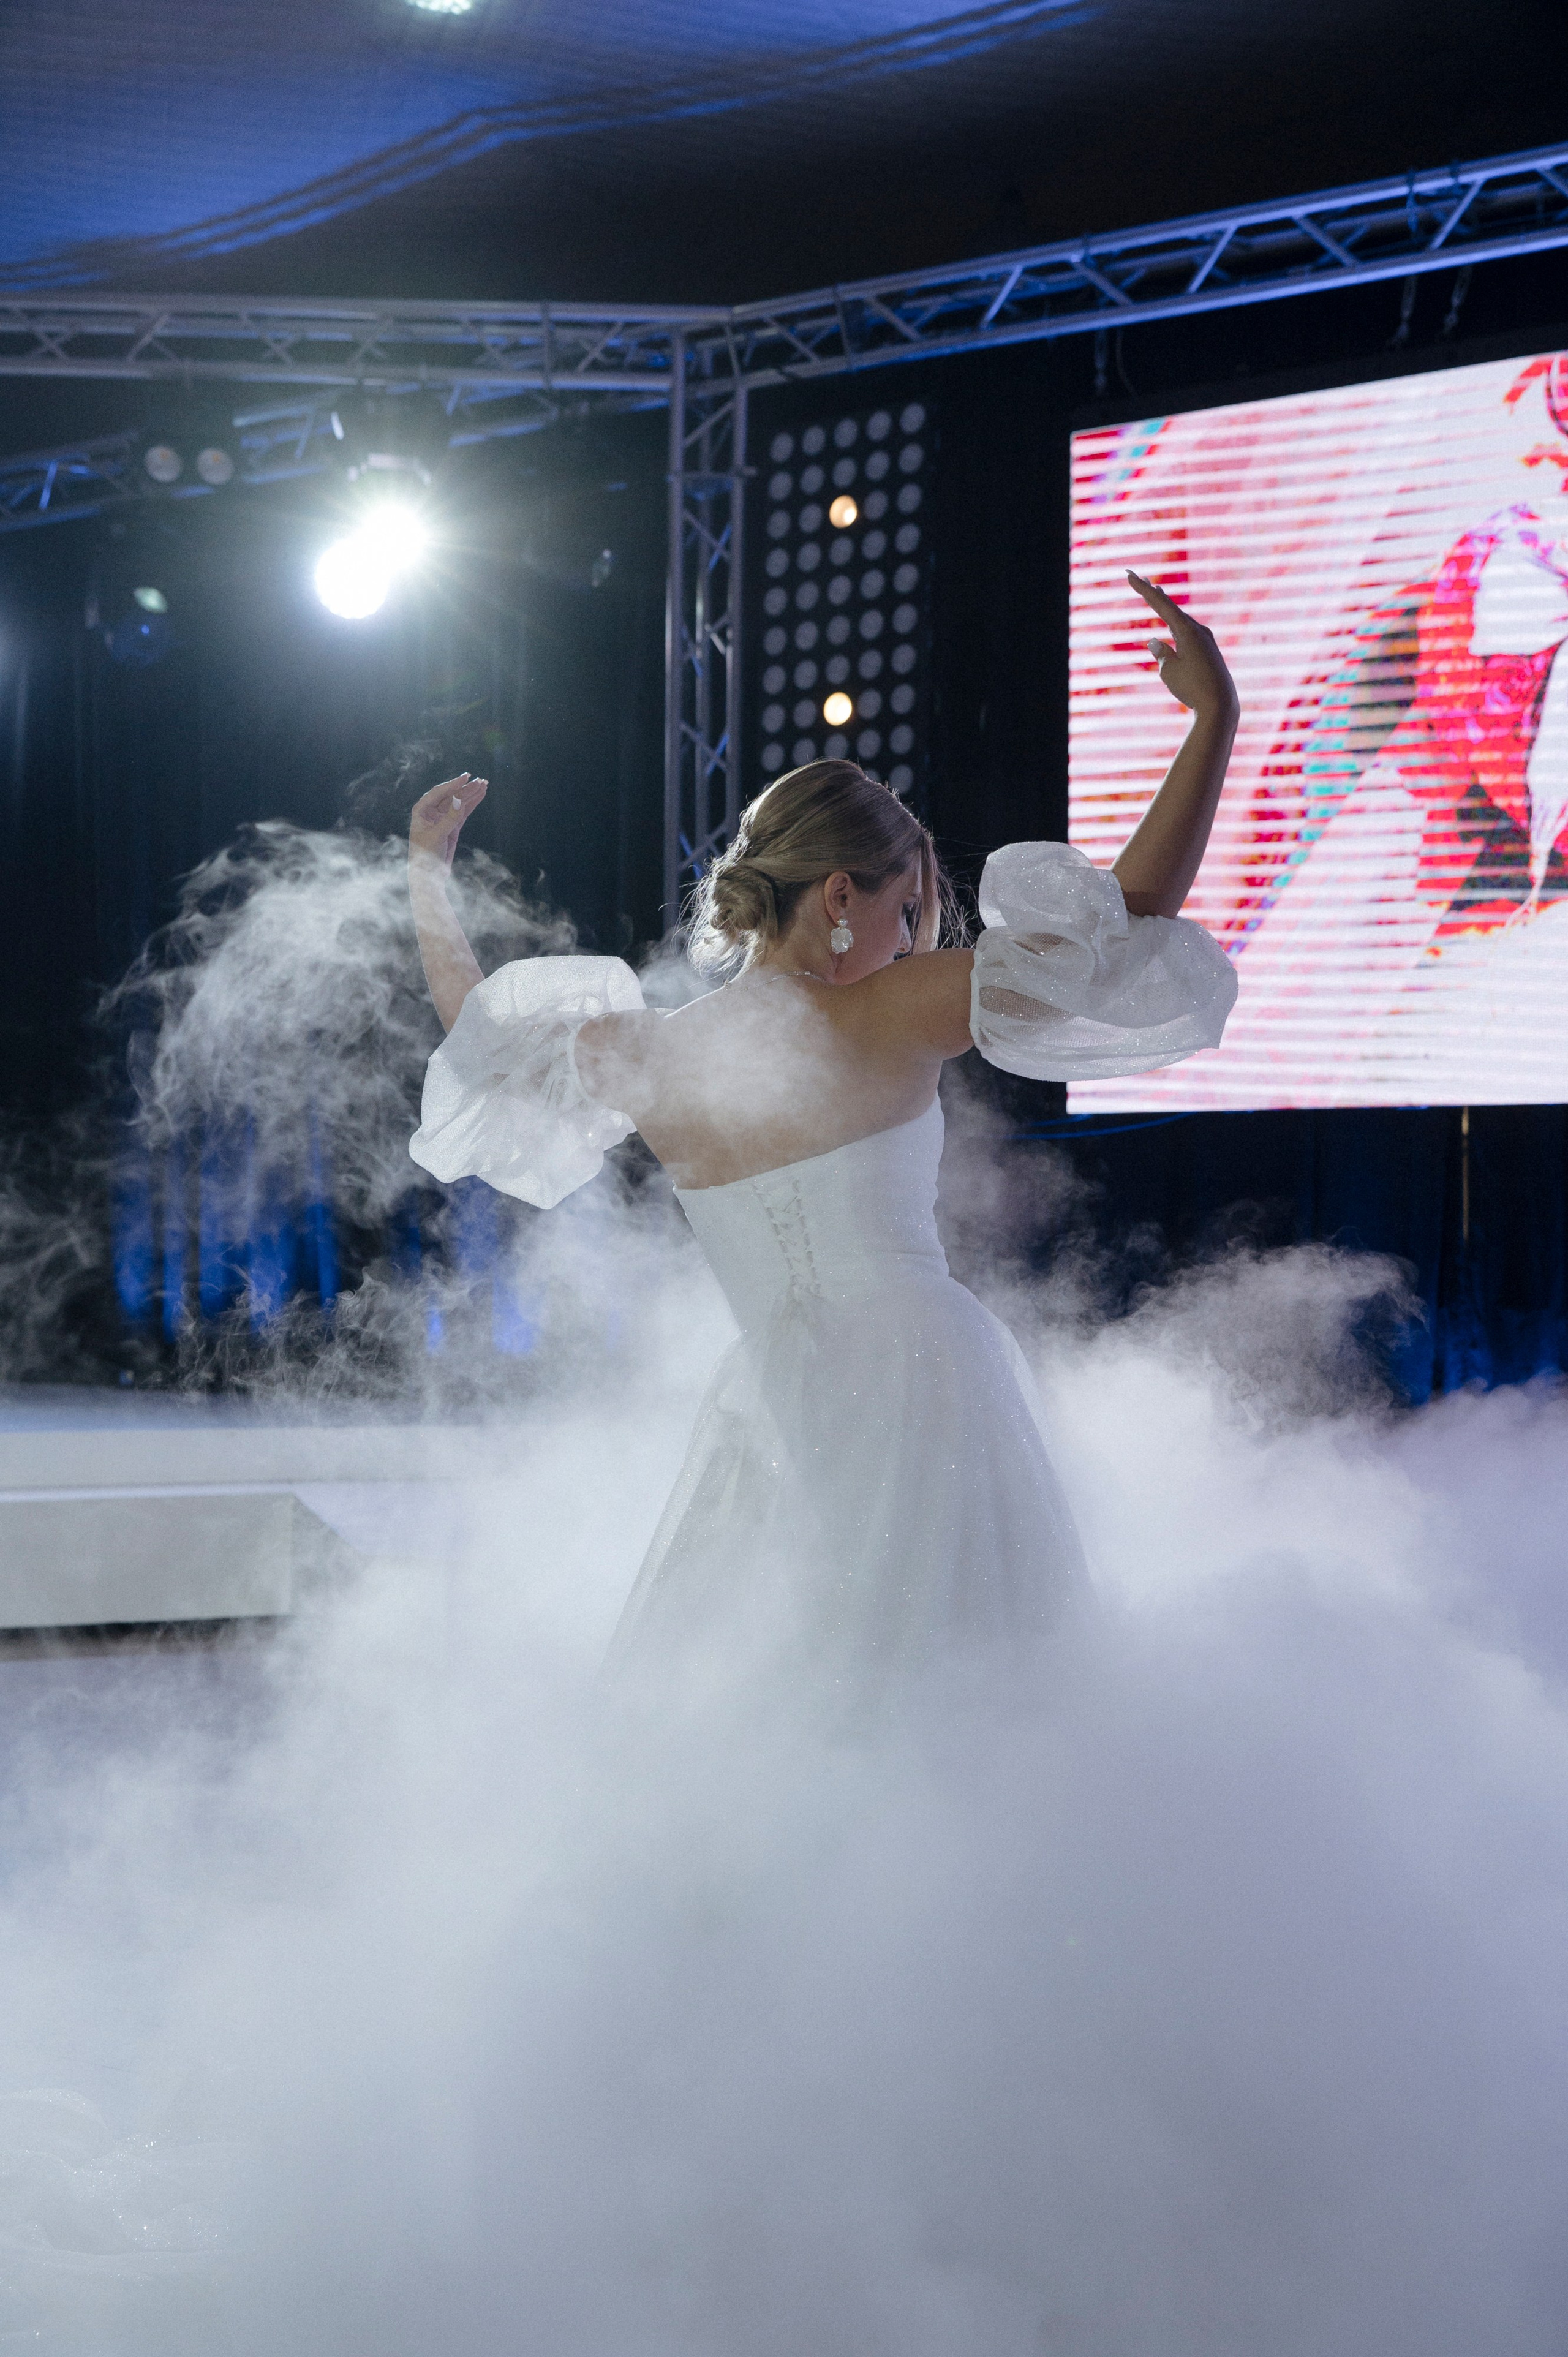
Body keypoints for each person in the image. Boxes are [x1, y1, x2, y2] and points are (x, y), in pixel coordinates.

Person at [405, 573, 1238, 1711]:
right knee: (961, 1698)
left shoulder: (650, 1055)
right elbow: (1129, 925)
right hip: (922, 1387)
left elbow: (476, 1030)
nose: (909, 942)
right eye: (906, 912)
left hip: (777, 1404)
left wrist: (425, 873)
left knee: (775, 1703)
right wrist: (1213, 722)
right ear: (840, 895)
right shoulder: (884, 1013)